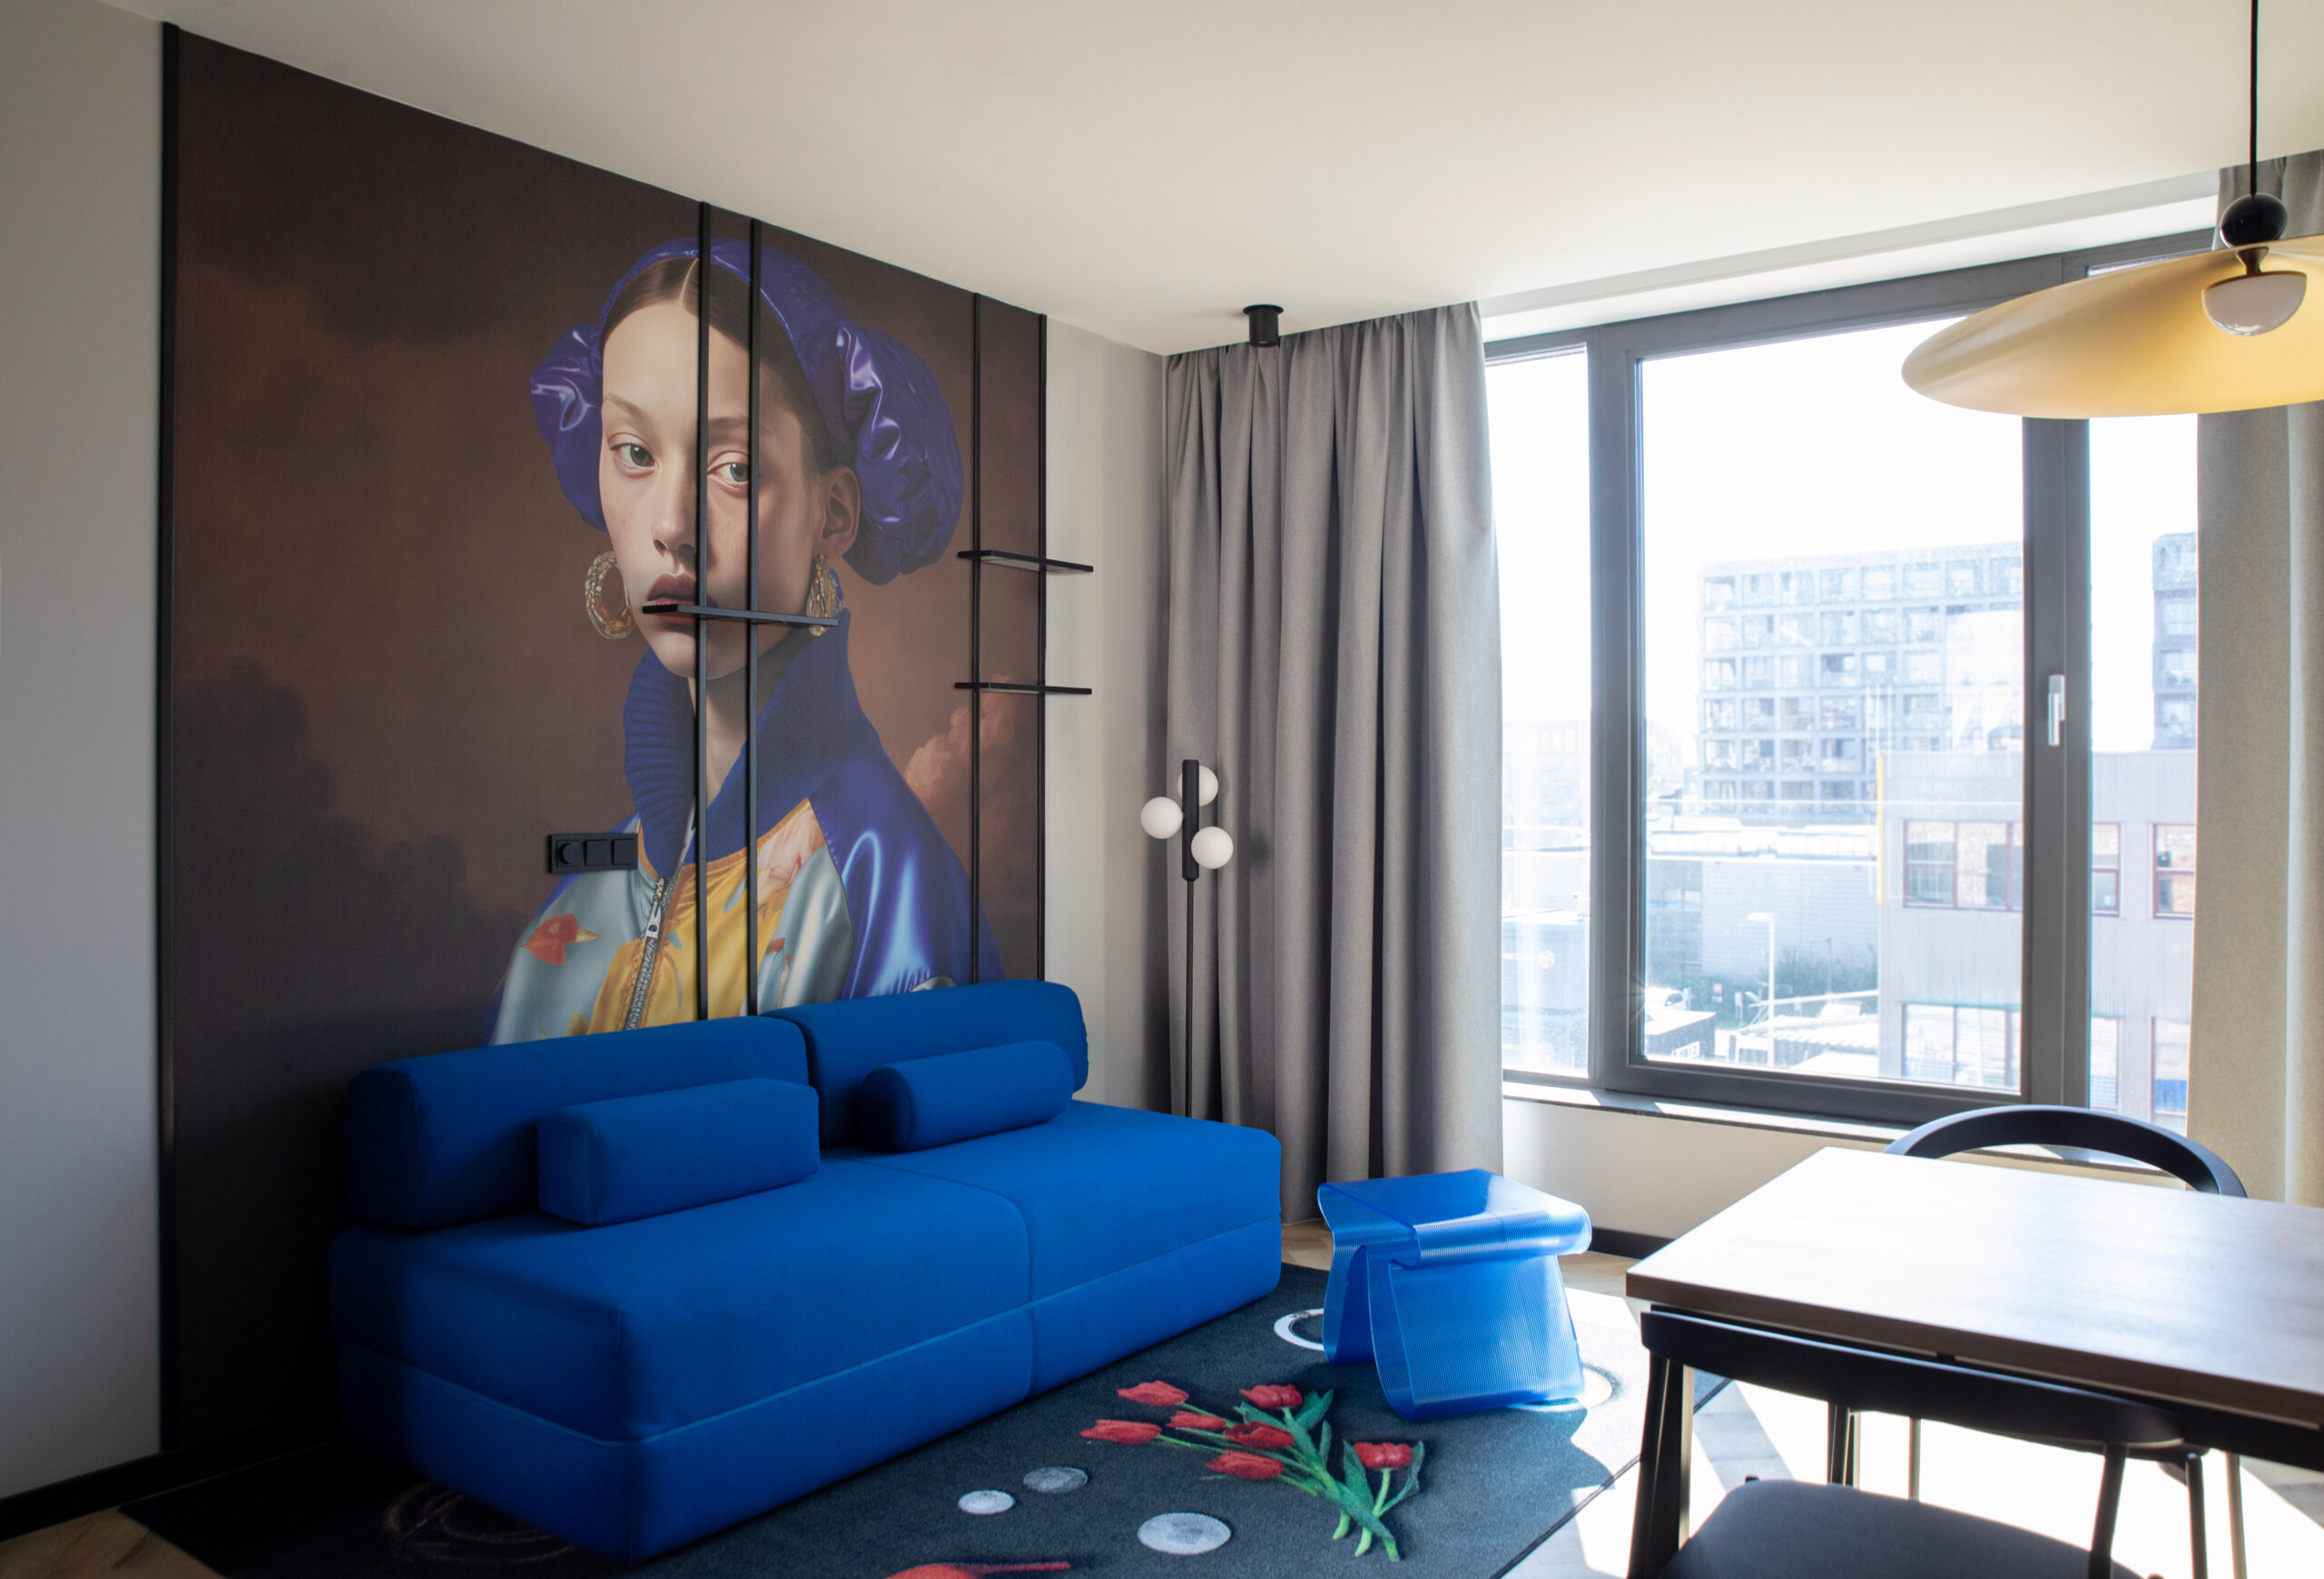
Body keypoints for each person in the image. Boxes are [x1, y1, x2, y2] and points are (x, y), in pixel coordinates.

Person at [489, 237, 996, 1041]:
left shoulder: (883, 881)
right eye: (633, 453)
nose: (671, 525)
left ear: (834, 513)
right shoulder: (595, 885)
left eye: (733, 467)